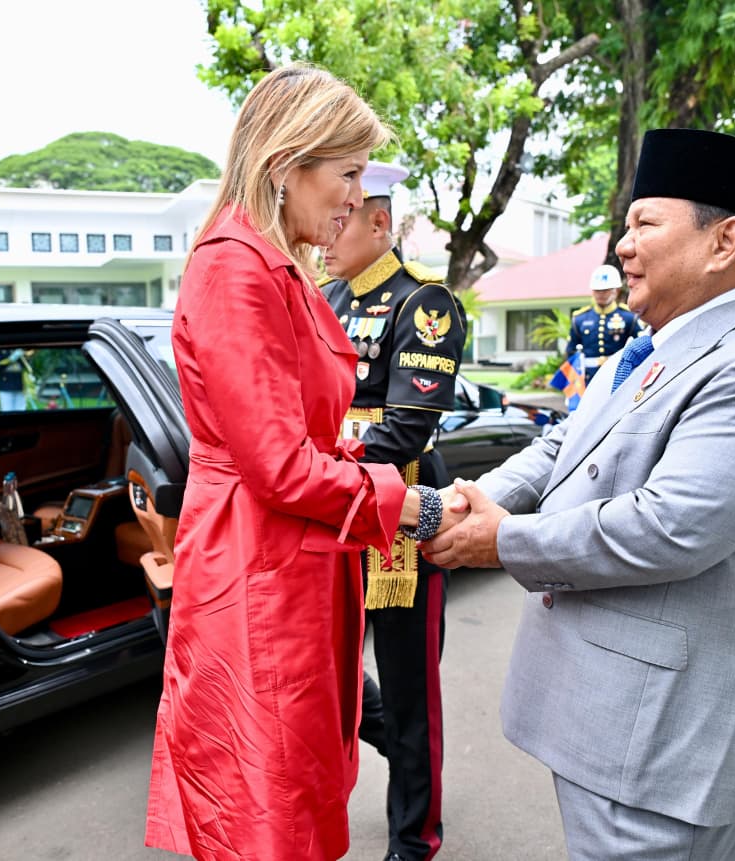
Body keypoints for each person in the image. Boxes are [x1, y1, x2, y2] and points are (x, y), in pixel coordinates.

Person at [421, 128, 735, 860]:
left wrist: (501, 540)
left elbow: (669, 525)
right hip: (611, 719)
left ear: (724, 240)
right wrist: (468, 499)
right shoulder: (649, 347)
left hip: (671, 739)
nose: (620, 244)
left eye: (644, 222)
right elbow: (560, 447)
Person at [145, 65, 434, 861]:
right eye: (346, 174)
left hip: (282, 558)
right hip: (258, 565)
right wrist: (413, 505)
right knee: (266, 808)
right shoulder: (237, 266)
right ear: (285, 167)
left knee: (291, 790)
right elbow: (279, 465)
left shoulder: (273, 263)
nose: (356, 197)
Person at [321, 161, 466, 861]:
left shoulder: (424, 304)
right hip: (332, 506)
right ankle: (412, 771)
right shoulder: (323, 296)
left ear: (379, 222)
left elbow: (406, 427)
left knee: (412, 692)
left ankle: (414, 838)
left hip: (400, 506)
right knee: (332, 675)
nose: (327, 231)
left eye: (341, 216)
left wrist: (314, 464)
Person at [566, 263, 646, 382]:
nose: (601, 294)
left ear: (616, 291)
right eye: (597, 291)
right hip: (588, 378)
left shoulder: (629, 317)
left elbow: (642, 346)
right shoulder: (579, 319)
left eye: (605, 291)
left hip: (618, 375)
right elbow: (571, 350)